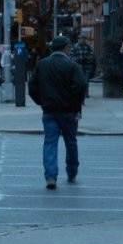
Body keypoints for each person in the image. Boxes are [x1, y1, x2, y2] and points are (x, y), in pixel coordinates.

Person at [28, 36, 88, 190]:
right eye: (68, 47)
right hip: (68, 111)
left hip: (49, 110)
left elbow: (32, 87)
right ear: (64, 49)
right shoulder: (72, 65)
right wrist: (76, 103)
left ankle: (50, 176)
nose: (70, 50)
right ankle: (72, 172)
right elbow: (81, 86)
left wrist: (41, 101)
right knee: (71, 142)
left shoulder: (42, 65)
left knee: (50, 143)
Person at [70, 33, 94, 98]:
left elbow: (91, 56)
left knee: (86, 81)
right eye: (81, 39)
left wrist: (86, 59)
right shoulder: (74, 47)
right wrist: (78, 59)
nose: (83, 40)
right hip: (77, 67)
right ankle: (78, 93)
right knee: (78, 82)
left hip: (86, 67)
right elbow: (71, 57)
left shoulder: (88, 47)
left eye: (84, 39)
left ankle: (86, 94)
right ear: (78, 39)